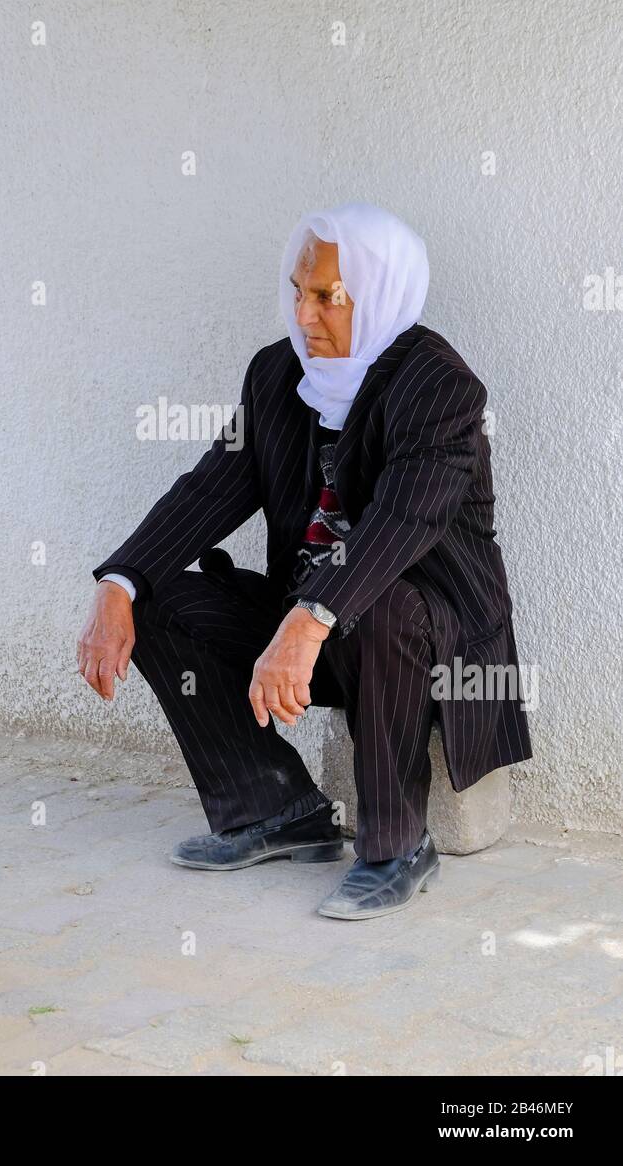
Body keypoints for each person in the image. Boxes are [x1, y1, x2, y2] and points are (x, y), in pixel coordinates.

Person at [77, 203, 532, 920]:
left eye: (328, 296)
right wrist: (120, 582)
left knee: (381, 602)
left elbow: (401, 519)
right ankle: (278, 809)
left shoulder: (438, 387)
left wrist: (310, 617)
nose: (305, 313)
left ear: (381, 295)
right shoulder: (277, 375)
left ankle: (395, 845)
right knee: (158, 600)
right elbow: (210, 489)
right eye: (298, 289)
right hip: (310, 623)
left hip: (424, 636)